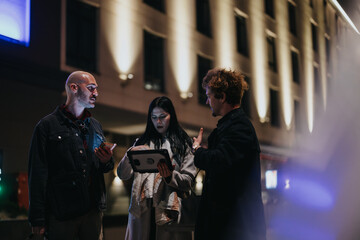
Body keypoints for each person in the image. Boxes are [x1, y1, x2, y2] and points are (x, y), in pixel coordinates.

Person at [28, 71, 115, 240]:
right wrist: (37, 220)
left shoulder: (95, 126)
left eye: (96, 89)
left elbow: (103, 166)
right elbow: (37, 175)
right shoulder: (47, 126)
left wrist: (106, 161)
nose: (95, 93)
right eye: (91, 88)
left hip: (93, 212)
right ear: (74, 88)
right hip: (62, 213)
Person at [192, 68, 266, 240]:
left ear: (222, 97)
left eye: (209, 95)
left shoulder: (239, 127)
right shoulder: (231, 126)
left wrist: (197, 150)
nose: (207, 100)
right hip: (229, 225)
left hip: (236, 226)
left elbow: (219, 160)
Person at [117, 96, 197, 240]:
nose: (158, 122)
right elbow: (123, 174)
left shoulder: (183, 144)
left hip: (170, 212)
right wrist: (130, 154)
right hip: (143, 210)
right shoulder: (141, 142)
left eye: (162, 116)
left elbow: (188, 181)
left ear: (171, 116)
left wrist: (170, 176)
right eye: (153, 117)